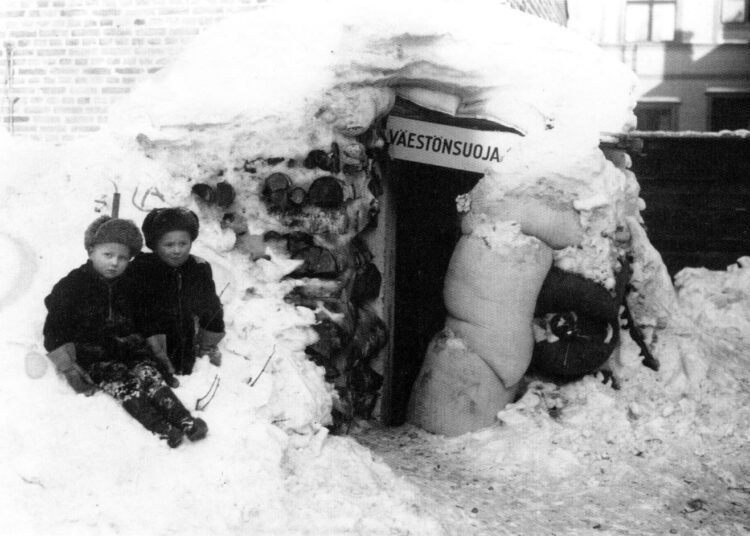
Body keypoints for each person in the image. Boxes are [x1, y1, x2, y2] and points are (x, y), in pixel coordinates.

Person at [42, 215, 208, 448]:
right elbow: (54, 328)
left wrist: (156, 351)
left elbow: (146, 319)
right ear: (91, 251)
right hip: (96, 355)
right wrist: (68, 366)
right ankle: (162, 429)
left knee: (152, 379)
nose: (114, 263)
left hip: (132, 349)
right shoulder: (72, 285)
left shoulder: (132, 284)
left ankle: (185, 420)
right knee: (126, 386)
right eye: (107, 255)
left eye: (122, 258)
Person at [129, 207, 225, 376]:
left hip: (187, 342)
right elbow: (136, 312)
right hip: (153, 343)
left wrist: (207, 344)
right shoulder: (142, 269)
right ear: (155, 245)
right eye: (168, 244)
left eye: (183, 243)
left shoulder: (198, 268)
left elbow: (211, 308)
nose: (177, 250)